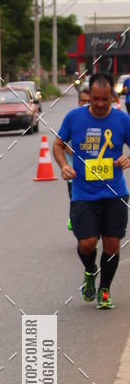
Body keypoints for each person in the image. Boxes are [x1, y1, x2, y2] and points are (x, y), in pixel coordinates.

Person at [53, 72, 130, 309]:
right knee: (86, 243)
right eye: (94, 99)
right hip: (83, 194)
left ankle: (104, 289)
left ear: (112, 97)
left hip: (115, 193)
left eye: (104, 99)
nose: (98, 104)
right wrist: (64, 165)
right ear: (89, 97)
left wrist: (127, 159)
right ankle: (90, 270)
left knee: (112, 245)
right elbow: (58, 144)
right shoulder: (74, 118)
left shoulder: (122, 120)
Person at [66, 86, 90, 230]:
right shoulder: (72, 119)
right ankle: (74, 217)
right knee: (77, 204)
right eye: (83, 101)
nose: (86, 104)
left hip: (96, 174)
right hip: (74, 175)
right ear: (78, 102)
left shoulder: (101, 121)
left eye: (89, 101)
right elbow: (60, 144)